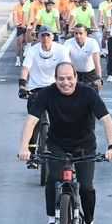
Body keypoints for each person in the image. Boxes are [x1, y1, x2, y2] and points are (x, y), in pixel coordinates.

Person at [17, 62, 112, 224]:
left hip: (84, 146)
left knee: (86, 188)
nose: (66, 82)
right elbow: (31, 122)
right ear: (55, 79)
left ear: (76, 78)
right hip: (57, 145)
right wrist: (25, 147)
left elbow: (106, 121)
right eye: (61, 79)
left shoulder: (88, 94)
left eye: (69, 78)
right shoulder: (47, 94)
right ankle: (51, 222)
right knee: (53, 179)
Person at [19, 26, 72, 166]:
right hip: (36, 88)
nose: (45, 38)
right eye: (43, 36)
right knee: (33, 122)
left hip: (55, 87)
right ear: (38, 37)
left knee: (62, 119)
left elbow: (67, 67)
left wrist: (69, 86)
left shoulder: (61, 50)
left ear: (52, 37)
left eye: (48, 35)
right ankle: (31, 156)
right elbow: (25, 69)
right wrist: (22, 87)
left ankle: (65, 150)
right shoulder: (32, 51)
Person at [64, 23, 103, 89]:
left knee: (93, 96)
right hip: (75, 74)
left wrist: (99, 78)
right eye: (76, 33)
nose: (78, 36)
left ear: (85, 33)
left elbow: (97, 62)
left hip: (90, 73)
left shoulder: (92, 42)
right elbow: (64, 59)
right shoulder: (68, 43)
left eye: (80, 33)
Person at [12, 0, 30, 66]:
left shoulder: (29, 6)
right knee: (19, 42)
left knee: (26, 41)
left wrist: (28, 24)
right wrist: (16, 23)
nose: (22, 0)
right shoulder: (16, 7)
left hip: (27, 25)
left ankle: (26, 57)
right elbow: (14, 16)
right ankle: (18, 60)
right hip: (20, 26)